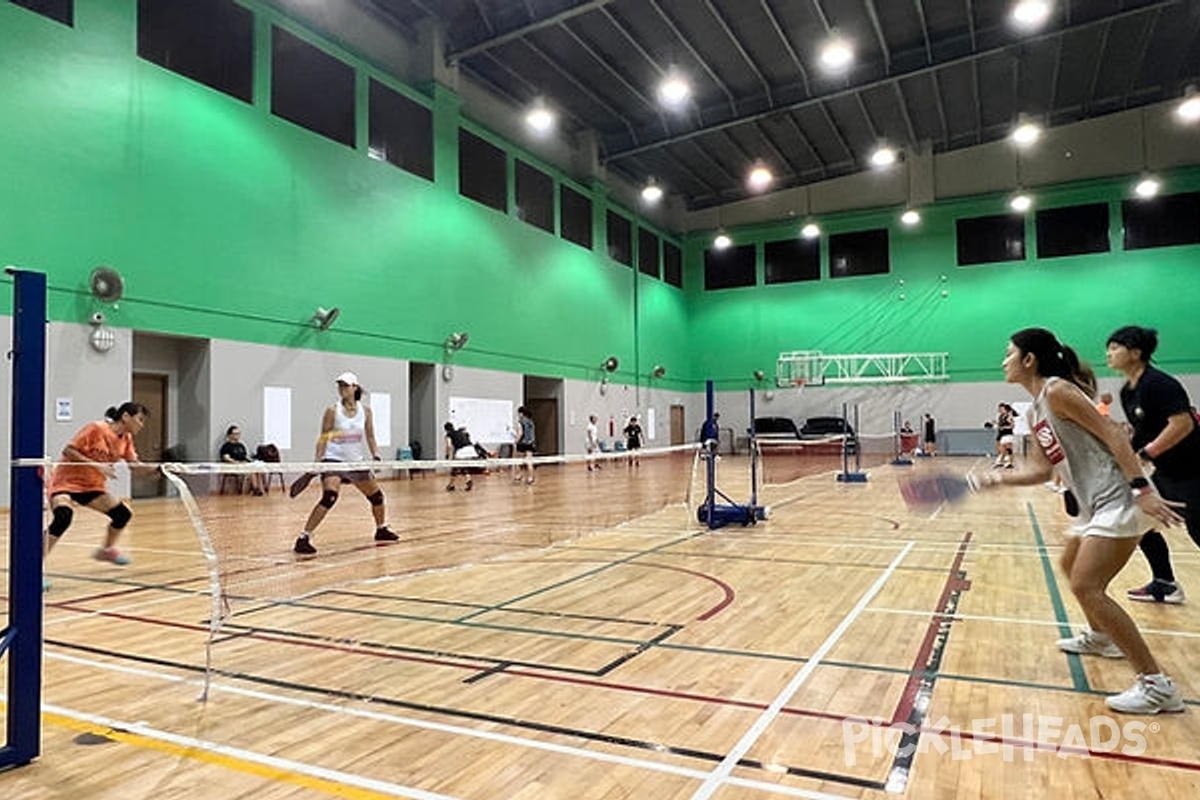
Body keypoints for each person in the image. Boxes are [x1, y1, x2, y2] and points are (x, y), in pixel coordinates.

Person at [972, 327, 1184, 714]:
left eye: (1008, 354)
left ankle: (1156, 685)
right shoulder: (1036, 410)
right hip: (1094, 505)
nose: (1003, 361)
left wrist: (1142, 489)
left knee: (1088, 586)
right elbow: (1039, 471)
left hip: (1119, 497)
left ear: (1029, 360)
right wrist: (995, 479)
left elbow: (1115, 435)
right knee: (1070, 565)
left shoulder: (1058, 392)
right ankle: (1102, 638)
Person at [1107, 325, 1200, 605]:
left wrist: (1147, 453)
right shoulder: (1128, 391)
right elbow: (1143, 430)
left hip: (1193, 471)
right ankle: (1165, 583)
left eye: (1114, 347)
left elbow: (1183, 423)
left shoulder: (1158, 383)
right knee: (1139, 519)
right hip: (1167, 472)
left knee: (1198, 529)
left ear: (1135, 353)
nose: (1108, 353)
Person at [293, 372, 399, 555]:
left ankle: (381, 529)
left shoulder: (365, 411)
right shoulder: (332, 411)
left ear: (355, 388)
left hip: (355, 461)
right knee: (329, 497)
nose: (342, 388)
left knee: (377, 498)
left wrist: (376, 455)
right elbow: (323, 436)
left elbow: (370, 436)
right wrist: (317, 462)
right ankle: (304, 538)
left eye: (346, 385)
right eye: (340, 385)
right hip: (333, 459)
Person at [45, 402, 150, 570]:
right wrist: (96, 465)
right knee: (63, 517)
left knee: (122, 515)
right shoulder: (96, 429)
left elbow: (135, 466)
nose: (141, 425)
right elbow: (69, 451)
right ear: (125, 417)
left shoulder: (126, 439)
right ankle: (34, 566)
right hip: (65, 483)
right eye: (140, 419)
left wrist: (162, 469)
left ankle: (106, 551)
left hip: (91, 487)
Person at [219, 424, 263, 495]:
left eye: (238, 434)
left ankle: (257, 488)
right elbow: (226, 458)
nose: (237, 435)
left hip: (243, 464)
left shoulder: (241, 445)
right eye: (235, 434)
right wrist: (237, 463)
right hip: (234, 465)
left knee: (257, 468)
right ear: (230, 435)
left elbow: (244, 456)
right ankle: (255, 489)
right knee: (251, 470)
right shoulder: (226, 446)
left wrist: (250, 461)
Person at [444, 421, 488, 491]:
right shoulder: (460, 432)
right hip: (471, 450)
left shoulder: (449, 435)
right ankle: (461, 482)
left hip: (462, 451)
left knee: (455, 467)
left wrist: (447, 455)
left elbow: (449, 446)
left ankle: (452, 485)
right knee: (462, 466)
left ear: (446, 430)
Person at [513, 405, 536, 484]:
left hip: (522, 443)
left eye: (518, 413)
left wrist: (516, 441)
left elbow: (520, 433)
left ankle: (518, 475)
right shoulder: (531, 422)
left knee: (517, 460)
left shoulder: (520, 422)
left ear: (521, 413)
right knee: (529, 461)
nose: (518, 415)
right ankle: (530, 477)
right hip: (530, 443)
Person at [994, 403, 1015, 468]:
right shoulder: (1001, 417)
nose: (1001, 410)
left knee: (1008, 448)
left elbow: (1012, 426)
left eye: (1003, 409)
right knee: (1002, 447)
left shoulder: (1009, 417)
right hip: (1003, 434)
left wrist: (1004, 427)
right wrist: (997, 424)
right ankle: (1002, 461)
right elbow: (1001, 425)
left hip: (1008, 434)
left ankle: (1009, 462)